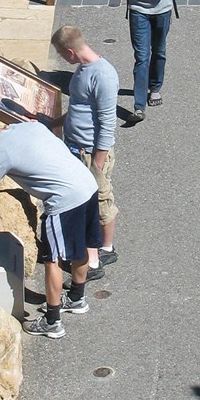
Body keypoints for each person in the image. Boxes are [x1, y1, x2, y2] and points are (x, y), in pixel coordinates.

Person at [0, 113, 102, 339]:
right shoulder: (25, 127)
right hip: (87, 185)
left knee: (52, 258)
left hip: (64, 200)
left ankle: (52, 322)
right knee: (79, 246)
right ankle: (76, 298)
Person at [50, 26, 120, 276]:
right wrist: (53, 123)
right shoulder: (82, 69)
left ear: (70, 51)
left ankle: (104, 250)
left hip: (92, 152)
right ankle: (95, 248)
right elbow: (79, 109)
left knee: (100, 200)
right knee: (85, 201)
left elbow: (107, 121)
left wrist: (98, 162)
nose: (61, 58)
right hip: (77, 147)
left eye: (60, 53)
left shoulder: (104, 75)